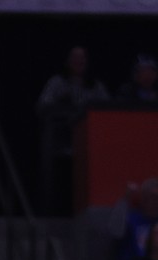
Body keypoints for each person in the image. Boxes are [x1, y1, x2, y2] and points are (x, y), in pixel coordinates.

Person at [36, 46, 109, 215]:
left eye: (82, 58)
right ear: (68, 61)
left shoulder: (96, 85)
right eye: (75, 58)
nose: (79, 62)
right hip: (60, 148)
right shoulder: (57, 83)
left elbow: (107, 109)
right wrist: (61, 103)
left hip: (89, 149)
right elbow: (41, 107)